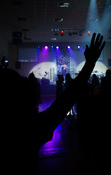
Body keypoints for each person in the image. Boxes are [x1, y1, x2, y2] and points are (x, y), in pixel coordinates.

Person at [0, 33, 105, 174]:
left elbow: (65, 100)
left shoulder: (29, 127)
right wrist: (89, 64)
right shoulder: (31, 128)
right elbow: (65, 101)